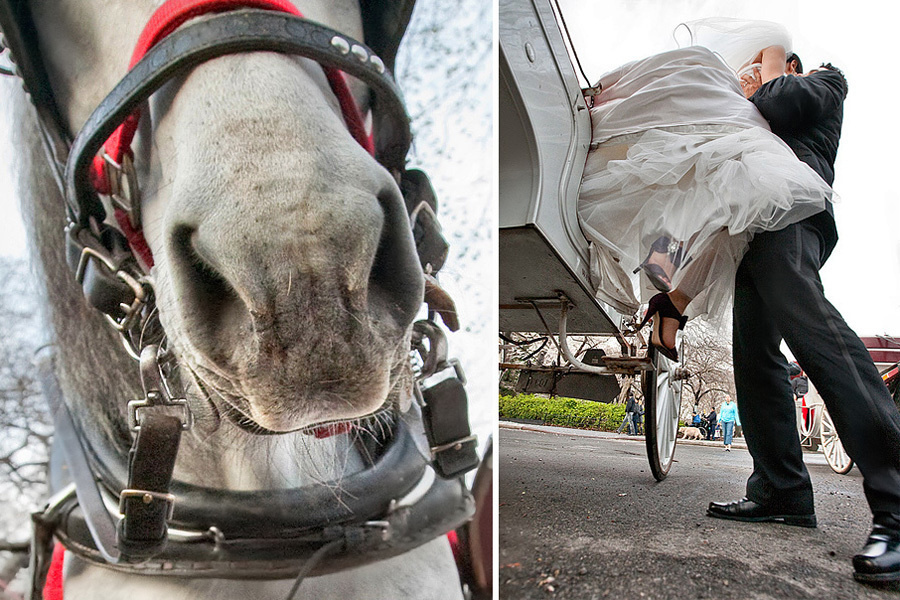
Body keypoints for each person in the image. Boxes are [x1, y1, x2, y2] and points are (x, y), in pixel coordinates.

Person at [703, 43, 900, 587]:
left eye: (765, 68)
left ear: (791, 65)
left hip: (796, 210)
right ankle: (782, 490)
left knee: (810, 323)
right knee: (753, 353)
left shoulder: (823, 79)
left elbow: (783, 101)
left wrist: (767, 72)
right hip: (757, 223)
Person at [578, 24, 833, 361]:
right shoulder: (778, 47)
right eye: (804, 76)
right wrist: (763, 89)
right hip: (732, 115)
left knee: (719, 212)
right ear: (793, 68)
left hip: (738, 119)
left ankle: (671, 296)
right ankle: (667, 288)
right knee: (718, 202)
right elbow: (774, 92)